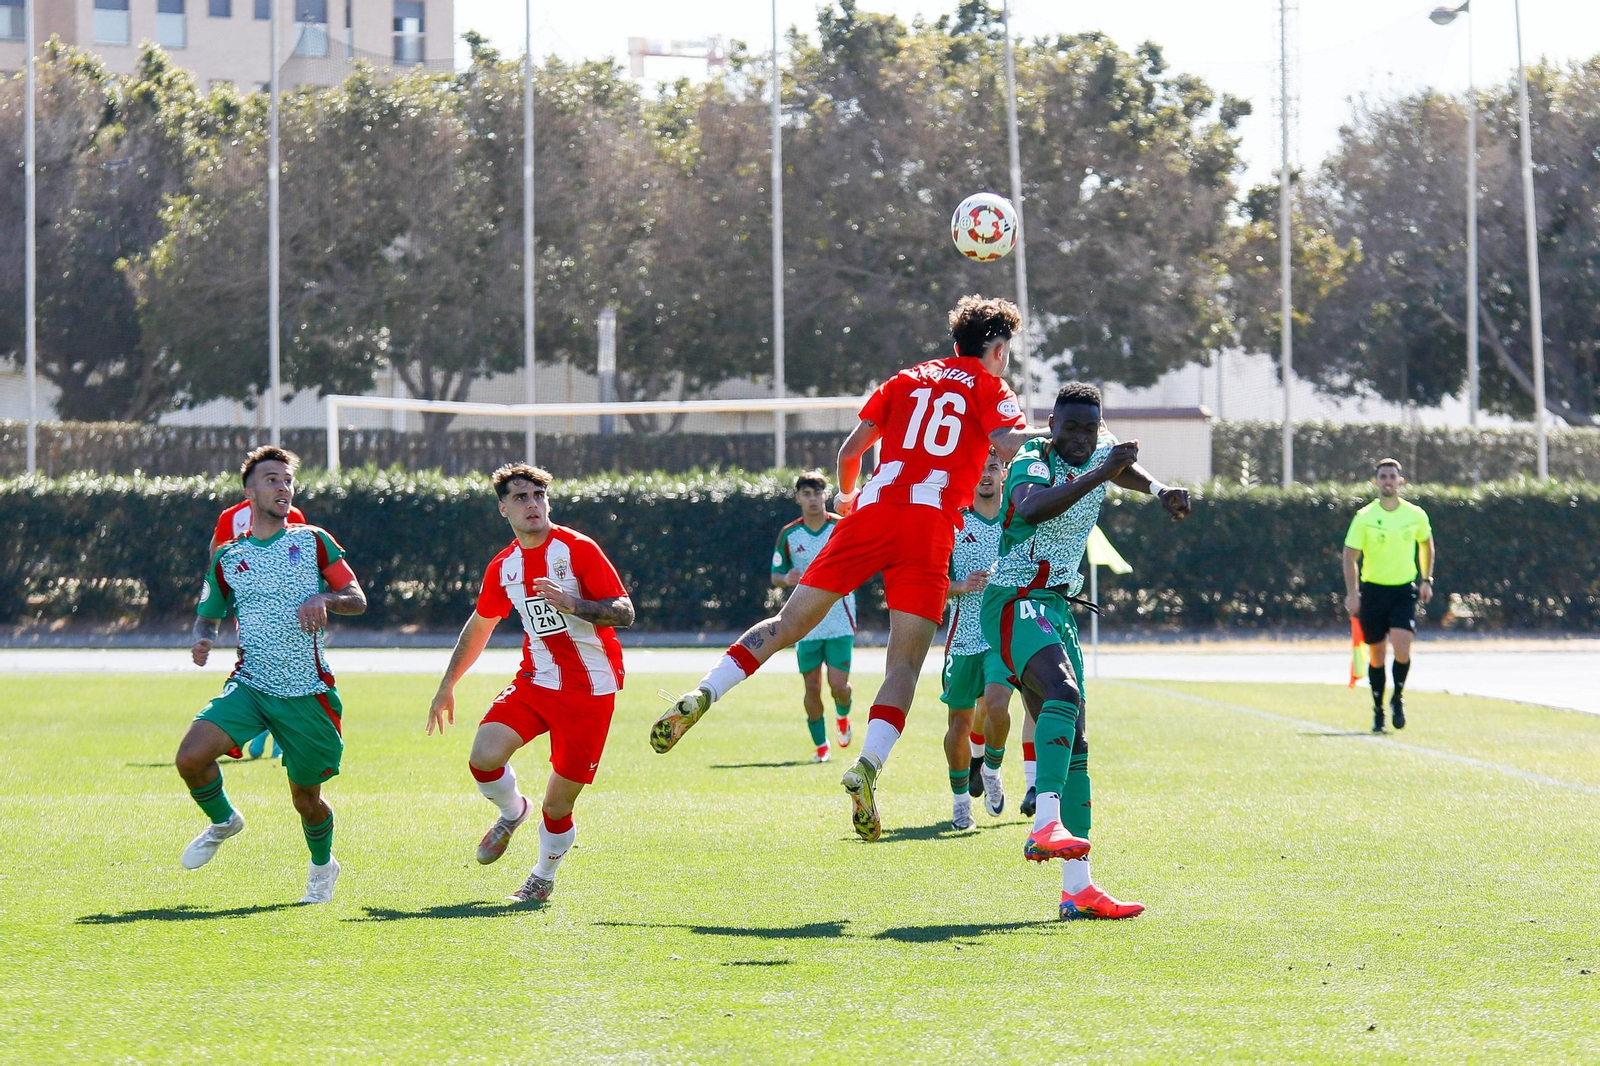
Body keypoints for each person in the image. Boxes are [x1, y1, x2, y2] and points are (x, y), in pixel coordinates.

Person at [651, 294, 1036, 843]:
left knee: (786, 624)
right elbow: (1008, 442)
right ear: (995, 349)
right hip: (928, 527)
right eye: (1007, 351)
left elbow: (850, 453)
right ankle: (866, 766)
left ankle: (704, 693)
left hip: (872, 512)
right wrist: (1064, 435)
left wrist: (850, 498)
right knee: (903, 667)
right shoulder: (991, 387)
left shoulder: (906, 379)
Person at [980, 383, 1191, 920]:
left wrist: (1159, 489)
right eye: (1069, 427)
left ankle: (1078, 888)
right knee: (1063, 692)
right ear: (1051, 425)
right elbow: (1032, 506)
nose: (1079, 437)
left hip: (1055, 605)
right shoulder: (1032, 457)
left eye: (1089, 429)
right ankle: (1044, 823)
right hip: (1014, 597)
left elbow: (1122, 468)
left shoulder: (1102, 449)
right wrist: (1100, 471)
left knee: (1075, 743)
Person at [427, 464, 635, 904]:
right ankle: (511, 811)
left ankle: (542, 877)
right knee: (483, 758)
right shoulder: (504, 566)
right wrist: (447, 685)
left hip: (590, 690)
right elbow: (480, 625)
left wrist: (574, 604)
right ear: (504, 509)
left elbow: (625, 611)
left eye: (539, 496)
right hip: (537, 681)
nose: (532, 504)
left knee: (557, 806)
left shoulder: (577, 549)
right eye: (520, 498)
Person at [176, 446, 366, 903]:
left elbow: (357, 598)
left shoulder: (314, 540)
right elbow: (208, 614)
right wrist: (203, 639)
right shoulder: (228, 557)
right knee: (190, 758)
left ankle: (322, 865)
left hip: (307, 692)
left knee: (306, 800)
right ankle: (224, 821)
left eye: (287, 480)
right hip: (251, 685)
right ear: (249, 493)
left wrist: (325, 599)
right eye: (272, 480)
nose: (283, 488)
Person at [939, 449, 1015, 828]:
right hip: (962, 638)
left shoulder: (1017, 522)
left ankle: (991, 771)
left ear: (1004, 474)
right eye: (980, 468)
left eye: (993, 467)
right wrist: (960, 585)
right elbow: (930, 585)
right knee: (959, 724)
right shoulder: (953, 523)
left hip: (1001, 636)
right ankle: (959, 804)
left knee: (997, 705)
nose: (986, 475)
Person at [212, 495, 308, 762]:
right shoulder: (230, 517)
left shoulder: (293, 515)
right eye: (269, 478)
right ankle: (267, 730)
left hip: (288, 612)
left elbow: (303, 558)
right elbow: (217, 560)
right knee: (259, 666)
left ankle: (273, 734)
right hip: (250, 612)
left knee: (286, 667)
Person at [1343, 458, 1435, 733]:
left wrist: (1426, 580)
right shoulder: (1364, 517)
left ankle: (1398, 697)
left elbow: (1426, 545)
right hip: (1373, 592)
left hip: (1403, 591)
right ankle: (1378, 710)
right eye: (1383, 476)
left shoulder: (1415, 514)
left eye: (1392, 476)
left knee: (1402, 646)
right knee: (1377, 655)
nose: (1388, 481)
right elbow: (1349, 556)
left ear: (1400, 482)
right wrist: (1352, 593)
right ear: (1376, 482)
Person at [771, 471, 855, 762]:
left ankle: (843, 715)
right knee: (812, 687)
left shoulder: (842, 526)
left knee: (839, 687)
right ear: (798, 498)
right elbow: (776, 575)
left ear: (826, 495)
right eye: (806, 494)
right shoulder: (789, 534)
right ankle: (821, 746)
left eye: (817, 493)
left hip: (839, 618)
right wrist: (786, 578)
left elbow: (861, 560)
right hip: (804, 622)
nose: (813, 499)